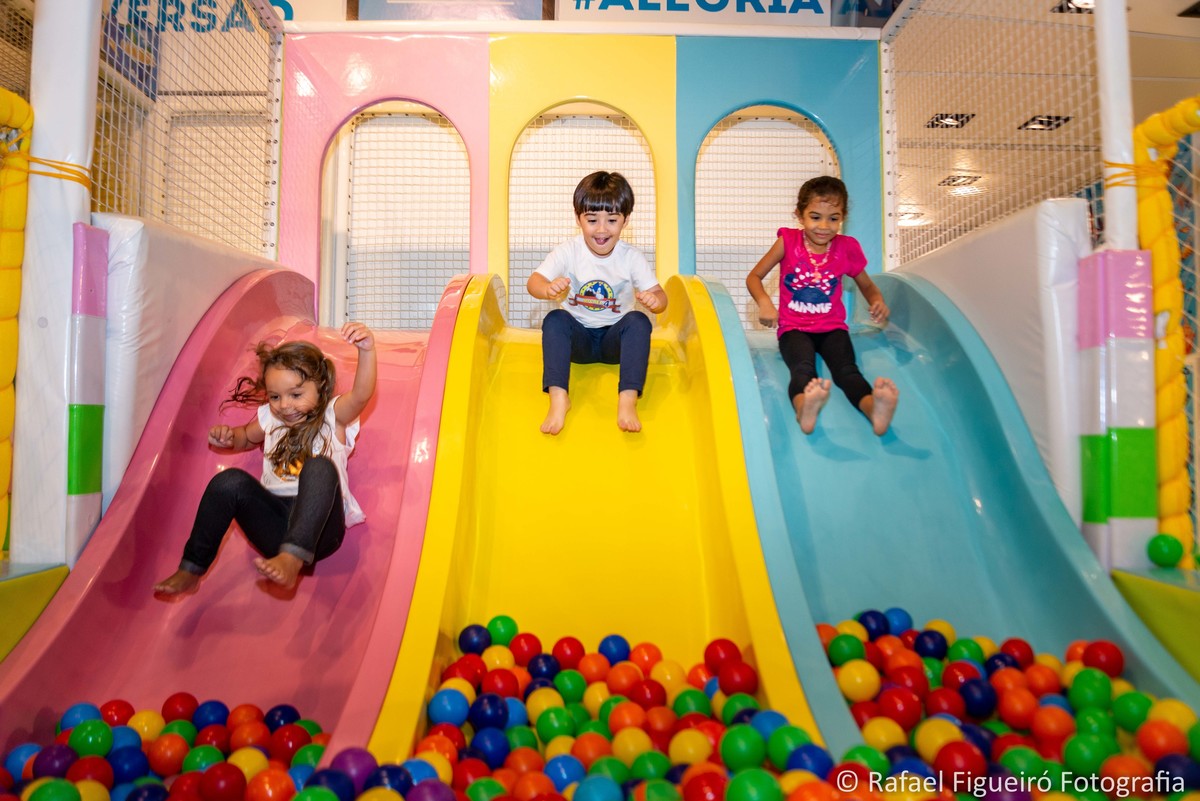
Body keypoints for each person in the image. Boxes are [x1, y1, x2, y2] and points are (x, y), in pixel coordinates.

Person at [153, 322, 377, 596]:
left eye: (296, 395)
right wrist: (228, 437)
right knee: (228, 481)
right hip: (274, 523)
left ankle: (293, 556)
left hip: (320, 528)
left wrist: (366, 350)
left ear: (320, 388)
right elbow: (245, 437)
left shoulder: (333, 415)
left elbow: (362, 395)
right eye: (275, 396)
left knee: (319, 467)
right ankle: (192, 567)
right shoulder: (270, 418)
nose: (284, 405)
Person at [746, 175, 898, 436]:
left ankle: (874, 408)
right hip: (794, 328)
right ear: (800, 215)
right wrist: (765, 303)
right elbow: (754, 277)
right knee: (802, 368)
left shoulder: (846, 248)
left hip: (832, 328)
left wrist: (877, 300)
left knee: (847, 371)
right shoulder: (788, 242)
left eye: (834, 218)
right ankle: (804, 407)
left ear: (843, 217)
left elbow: (867, 284)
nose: (824, 226)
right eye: (815, 217)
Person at [527, 171, 668, 435]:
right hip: (577, 341)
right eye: (592, 220)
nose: (602, 229)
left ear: (625, 221)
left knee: (638, 321)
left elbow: (661, 297)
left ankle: (627, 399)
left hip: (615, 342)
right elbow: (533, 281)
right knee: (555, 320)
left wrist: (654, 301)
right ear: (578, 218)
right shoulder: (569, 251)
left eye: (612, 220)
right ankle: (559, 398)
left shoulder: (631, 257)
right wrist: (546, 289)